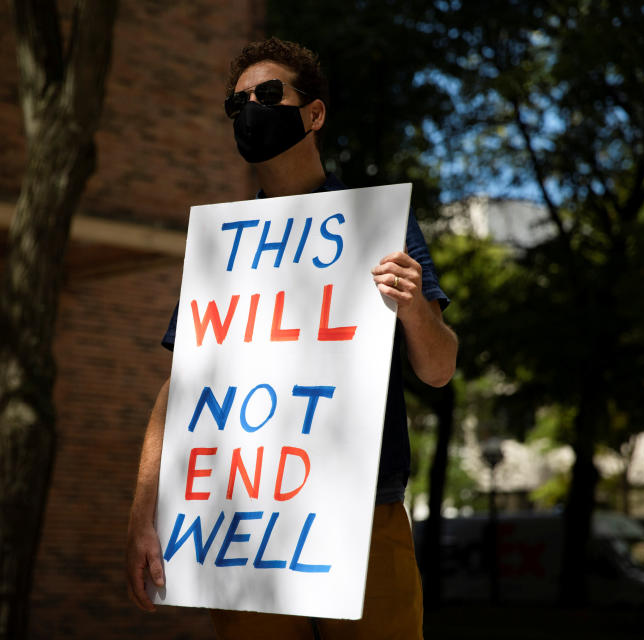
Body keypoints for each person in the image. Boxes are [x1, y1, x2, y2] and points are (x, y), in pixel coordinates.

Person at [126, 37, 458, 640]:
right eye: (238, 103)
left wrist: (415, 312)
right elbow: (180, 386)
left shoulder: (376, 228)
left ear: (315, 114)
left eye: (269, 94)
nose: (252, 108)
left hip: (364, 517)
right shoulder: (225, 247)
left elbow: (438, 369)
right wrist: (143, 510)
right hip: (244, 530)